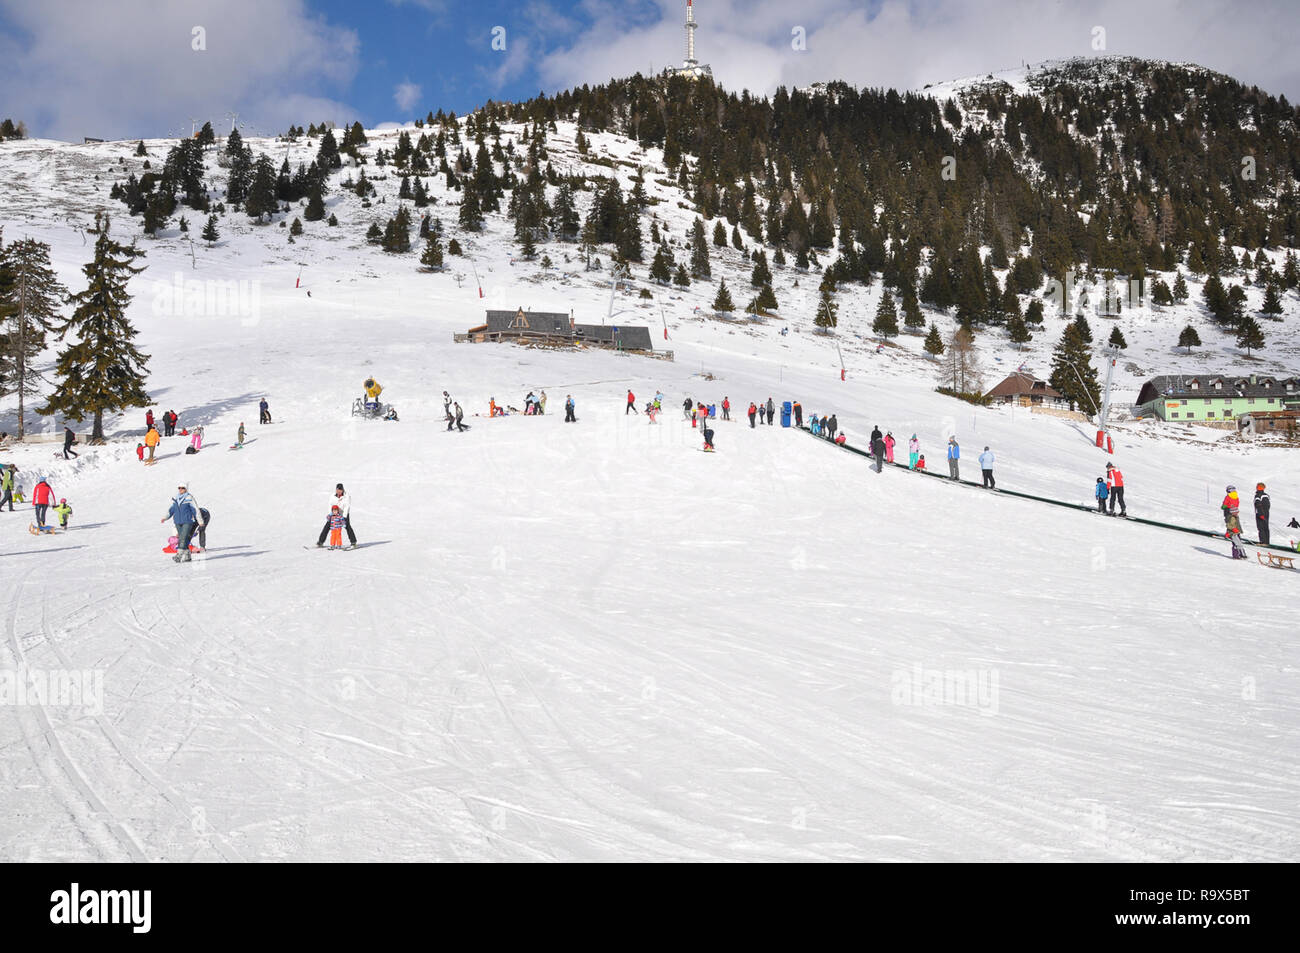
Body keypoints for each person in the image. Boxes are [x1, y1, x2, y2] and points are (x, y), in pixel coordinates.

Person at [161, 482, 200, 562]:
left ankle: (179, 555)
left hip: (187, 521)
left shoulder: (189, 498)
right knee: (183, 539)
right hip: (178, 521)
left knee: (182, 538)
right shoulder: (175, 498)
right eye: (179, 488)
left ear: (186, 489)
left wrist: (200, 520)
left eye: (182, 488)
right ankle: (188, 555)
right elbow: (171, 509)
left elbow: (195, 509)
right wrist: (165, 518)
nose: (180, 489)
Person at [316, 483, 357, 549]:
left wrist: (344, 517)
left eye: (340, 490)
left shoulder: (347, 496)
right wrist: (330, 514)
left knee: (347, 526)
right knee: (327, 526)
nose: (338, 491)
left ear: (342, 490)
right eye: (337, 489)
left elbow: (347, 507)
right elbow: (330, 504)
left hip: (343, 514)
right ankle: (320, 541)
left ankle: (353, 542)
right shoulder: (332, 496)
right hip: (334, 513)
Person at [1222, 485, 1247, 559]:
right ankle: (1238, 554)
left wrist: (1224, 507)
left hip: (1230, 512)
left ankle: (1240, 554)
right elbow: (1230, 524)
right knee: (1236, 541)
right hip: (1232, 514)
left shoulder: (1228, 497)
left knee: (1237, 542)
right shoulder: (1236, 496)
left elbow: (1225, 504)